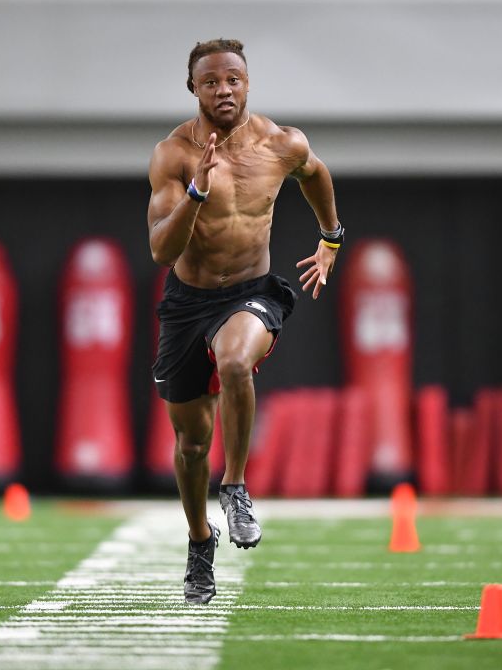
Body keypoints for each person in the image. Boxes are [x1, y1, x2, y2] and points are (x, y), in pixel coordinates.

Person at [147, 38, 343, 604]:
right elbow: (162, 251)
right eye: (210, 82)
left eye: (233, 79)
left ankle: (234, 487)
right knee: (189, 445)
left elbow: (316, 174)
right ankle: (199, 542)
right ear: (194, 90)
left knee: (236, 361)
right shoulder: (173, 155)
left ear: (247, 82)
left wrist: (331, 237)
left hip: (252, 292)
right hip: (189, 302)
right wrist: (195, 193)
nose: (223, 89)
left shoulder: (281, 143)